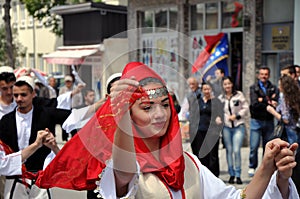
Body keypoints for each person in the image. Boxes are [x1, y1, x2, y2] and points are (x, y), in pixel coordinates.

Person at [34, 62, 299, 199]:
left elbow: (236, 197)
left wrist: (269, 168)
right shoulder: (122, 166)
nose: (160, 114)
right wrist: (121, 112)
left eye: (164, 104)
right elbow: (125, 175)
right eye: (146, 107)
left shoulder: (189, 163)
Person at [0, 76, 71, 199]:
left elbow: (74, 117)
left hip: (39, 179)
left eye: (23, 95)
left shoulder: (45, 115)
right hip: (15, 179)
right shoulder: (6, 121)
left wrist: (100, 106)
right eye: (16, 95)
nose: (19, 99)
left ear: (33, 94)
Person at [248, 66, 279, 177]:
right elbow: (254, 104)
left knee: (268, 146)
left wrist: (263, 100)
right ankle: (252, 166)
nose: (263, 76)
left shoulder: (273, 87)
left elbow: (276, 102)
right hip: (256, 120)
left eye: (266, 74)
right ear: (258, 75)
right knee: (254, 146)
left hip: (269, 121)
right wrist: (268, 101)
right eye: (262, 74)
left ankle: (265, 167)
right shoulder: (253, 87)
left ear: (269, 75)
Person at [218, 76, 249, 184]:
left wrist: (237, 116)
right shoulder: (221, 98)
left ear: (232, 84)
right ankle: (231, 174)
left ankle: (238, 174)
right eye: (225, 84)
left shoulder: (239, 95)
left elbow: (245, 107)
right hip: (226, 127)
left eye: (229, 83)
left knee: (236, 150)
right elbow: (219, 111)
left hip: (238, 126)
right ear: (223, 86)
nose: (227, 86)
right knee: (229, 151)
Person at [190, 82, 222, 177]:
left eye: (208, 89)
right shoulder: (197, 101)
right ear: (202, 90)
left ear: (211, 90)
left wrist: (219, 118)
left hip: (212, 131)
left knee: (213, 155)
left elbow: (221, 115)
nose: (206, 91)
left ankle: (214, 176)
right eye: (205, 89)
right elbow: (193, 115)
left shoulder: (216, 102)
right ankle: (203, 176)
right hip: (199, 131)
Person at [266, 75, 300, 144]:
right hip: (295, 128)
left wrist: (272, 111)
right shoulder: (294, 97)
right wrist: (277, 106)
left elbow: (286, 120)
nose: (278, 87)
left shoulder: (285, 99)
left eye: (280, 85)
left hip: (288, 131)